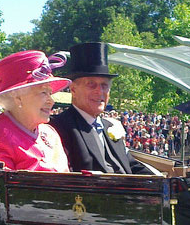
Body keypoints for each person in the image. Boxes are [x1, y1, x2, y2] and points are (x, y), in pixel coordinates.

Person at [49, 42, 148, 174]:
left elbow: (132, 166)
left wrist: (169, 184)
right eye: (91, 85)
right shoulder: (58, 127)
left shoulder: (109, 126)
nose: (99, 91)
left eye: (104, 85)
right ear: (73, 89)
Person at [0, 50, 71, 172]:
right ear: (17, 97)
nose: (51, 101)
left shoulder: (50, 133)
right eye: (44, 92)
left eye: (50, 93)